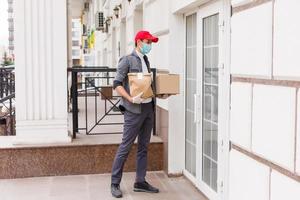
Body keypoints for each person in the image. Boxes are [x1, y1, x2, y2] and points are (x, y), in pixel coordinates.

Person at [110, 30, 168, 198]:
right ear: (139, 42)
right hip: (133, 111)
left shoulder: (145, 60)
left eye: (151, 42)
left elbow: (145, 87)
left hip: (148, 108)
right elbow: (116, 84)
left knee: (143, 147)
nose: (150, 45)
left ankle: (140, 181)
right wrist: (129, 98)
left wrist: (161, 94)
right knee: (125, 147)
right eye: (148, 42)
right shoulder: (127, 60)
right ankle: (114, 183)